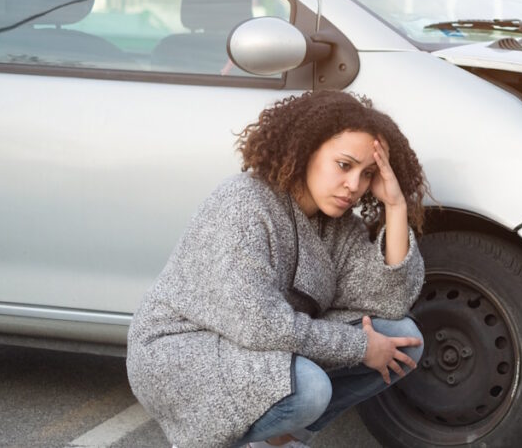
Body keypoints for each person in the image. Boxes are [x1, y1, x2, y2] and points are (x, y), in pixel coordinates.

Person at [127, 90, 430, 448]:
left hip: (256, 344)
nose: (354, 186)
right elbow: (259, 323)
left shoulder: (337, 225)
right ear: (307, 151)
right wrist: (359, 346)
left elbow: (388, 301)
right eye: (344, 165)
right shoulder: (243, 205)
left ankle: (279, 438)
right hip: (181, 351)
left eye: (367, 174)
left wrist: (395, 206)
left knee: (402, 338)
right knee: (310, 388)